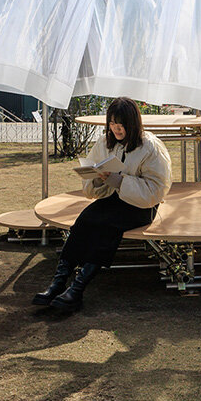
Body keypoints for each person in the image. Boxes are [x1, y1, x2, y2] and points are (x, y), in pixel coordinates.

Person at [32, 97, 172, 311]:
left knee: (107, 227)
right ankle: (58, 282)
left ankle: (77, 289)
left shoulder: (150, 147)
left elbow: (156, 190)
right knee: (84, 220)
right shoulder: (105, 143)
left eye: (121, 123)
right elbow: (90, 183)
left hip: (142, 207)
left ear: (132, 123)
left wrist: (121, 181)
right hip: (114, 200)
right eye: (112, 122)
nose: (116, 128)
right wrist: (97, 179)